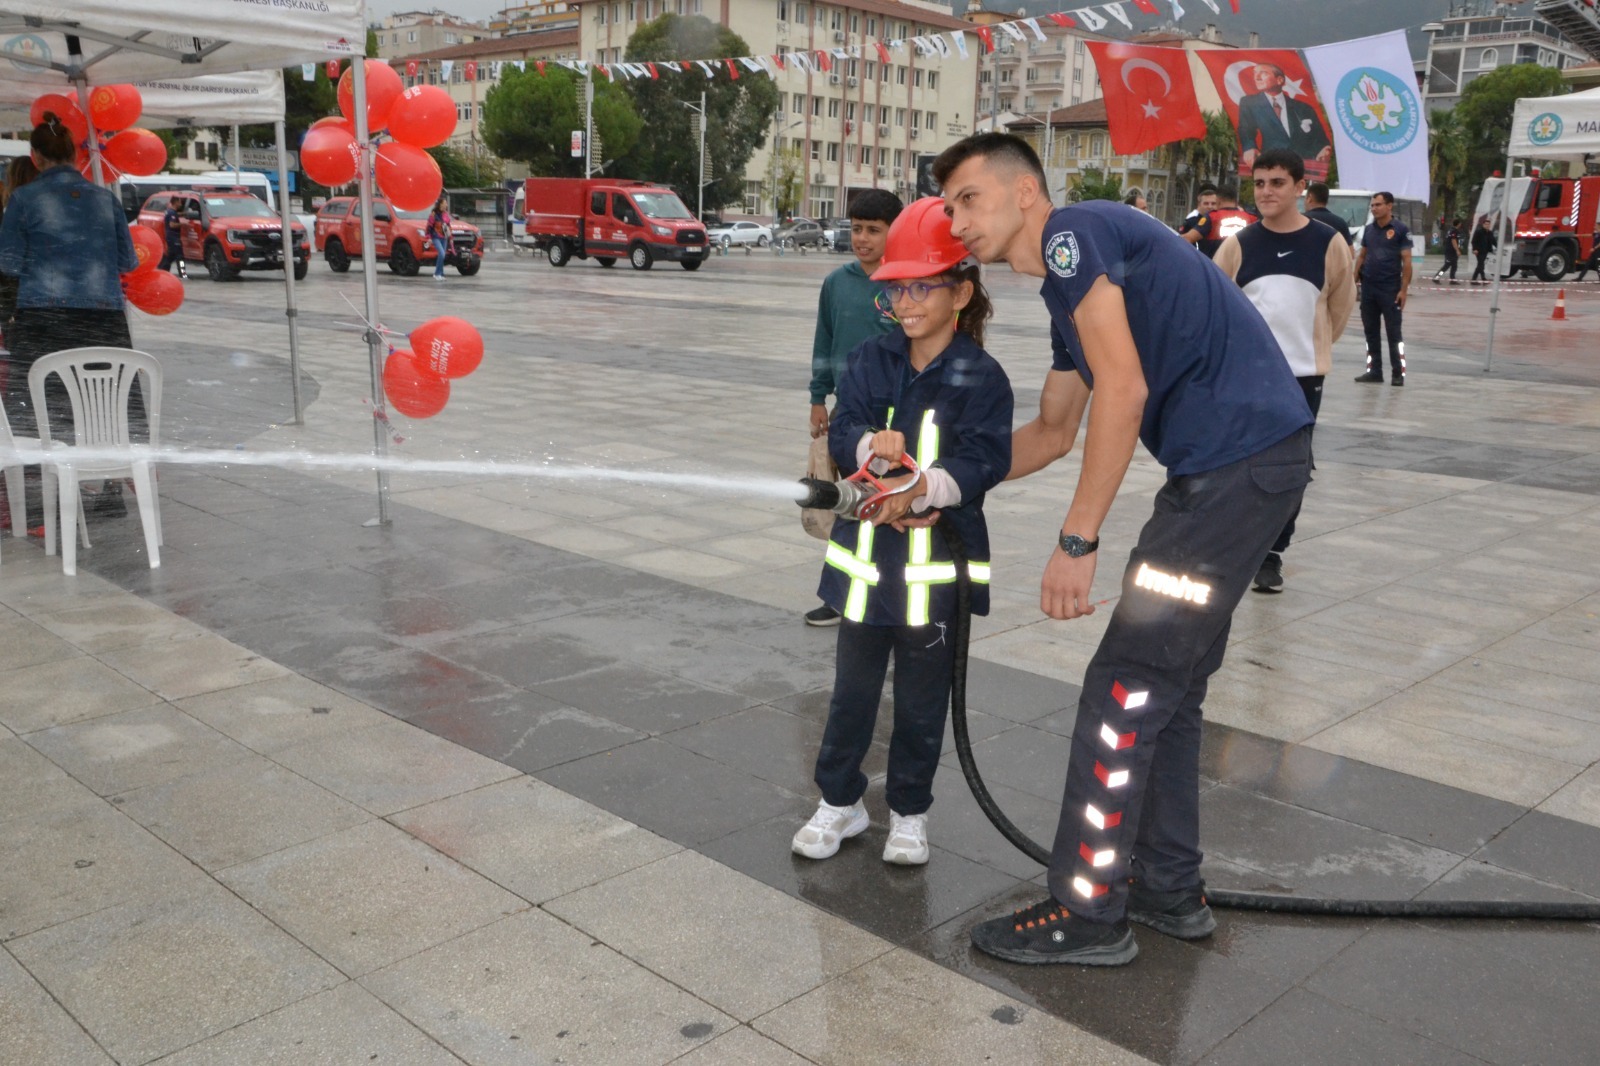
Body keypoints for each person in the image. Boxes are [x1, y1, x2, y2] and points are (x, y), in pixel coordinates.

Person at [933, 132, 1312, 966]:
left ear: (1025, 193)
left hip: (1230, 475)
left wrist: (1079, 540)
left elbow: (1126, 390)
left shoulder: (1075, 236)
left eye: (968, 198)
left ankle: (1088, 909)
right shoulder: (1071, 287)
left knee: (1123, 685)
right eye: (948, 205)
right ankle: (1169, 889)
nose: (954, 220)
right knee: (1164, 694)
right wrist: (937, 486)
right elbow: (1051, 430)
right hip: (1243, 473)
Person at [792, 196, 1013, 867]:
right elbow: (849, 426)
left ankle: (910, 812)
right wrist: (867, 452)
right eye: (897, 289)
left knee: (922, 703)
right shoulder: (870, 360)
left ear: (961, 291)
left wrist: (925, 487)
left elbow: (984, 459)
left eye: (923, 286)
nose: (906, 302)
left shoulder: (982, 376)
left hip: (934, 577)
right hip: (867, 567)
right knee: (852, 693)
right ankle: (840, 803)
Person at [1213, 148, 1355, 594]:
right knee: (1237, 465)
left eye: (1277, 182)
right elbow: (1216, 308)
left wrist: (1313, 351)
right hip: (1246, 379)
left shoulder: (1328, 243)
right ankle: (1238, 544)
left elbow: (1340, 306)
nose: (1266, 191)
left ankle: (1272, 553)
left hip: (1302, 379)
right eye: (1259, 183)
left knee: (1290, 471)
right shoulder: (1238, 245)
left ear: (1300, 188)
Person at [0, 114, 139, 528]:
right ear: (77, 155)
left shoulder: (23, 201)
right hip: (103, 321)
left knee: (38, 406)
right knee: (106, 405)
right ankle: (111, 485)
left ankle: (46, 491)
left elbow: (7, 263)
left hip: (44, 319)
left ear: (36, 156)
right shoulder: (105, 199)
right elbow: (128, 261)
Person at [804, 189, 905, 627]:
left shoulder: (904, 283)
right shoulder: (837, 283)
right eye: (856, 228)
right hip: (849, 417)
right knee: (849, 506)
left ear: (894, 233)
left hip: (898, 419)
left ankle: (891, 596)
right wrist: (817, 398)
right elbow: (823, 344)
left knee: (895, 506)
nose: (862, 238)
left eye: (873, 230)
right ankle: (839, 596)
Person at [1353, 191, 1412, 385]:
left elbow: (1407, 261)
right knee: (1370, 331)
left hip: (1390, 289)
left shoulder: (1400, 229)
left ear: (1389, 206)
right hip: (1369, 288)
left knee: (1394, 333)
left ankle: (1398, 373)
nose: (1374, 208)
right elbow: (1362, 255)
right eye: (1373, 205)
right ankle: (1374, 371)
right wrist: (1354, 280)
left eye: (1378, 205)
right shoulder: (1369, 230)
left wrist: (1403, 290)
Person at [1236, 63, 1332, 170]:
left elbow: (1319, 138)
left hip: (1301, 167)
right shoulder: (1250, 103)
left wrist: (1324, 149)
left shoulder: (1303, 108)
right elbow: (1246, 129)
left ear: (1280, 80)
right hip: (1271, 165)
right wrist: (1249, 147)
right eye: (1255, 73)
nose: (1257, 77)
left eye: (1263, 73)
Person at [1181, 183, 1253, 259]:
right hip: (1242, 266)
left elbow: (1188, 238)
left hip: (1215, 266)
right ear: (1236, 201)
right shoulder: (1251, 218)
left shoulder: (1212, 217)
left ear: (1218, 200)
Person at [158, 195, 188, 279]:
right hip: (174, 237)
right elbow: (172, 225)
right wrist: (183, 224)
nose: (181, 203)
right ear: (175, 202)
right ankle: (183, 274)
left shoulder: (170, 211)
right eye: (179, 201)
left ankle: (163, 271)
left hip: (171, 237)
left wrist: (184, 214)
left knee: (170, 256)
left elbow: (175, 214)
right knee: (180, 257)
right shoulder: (172, 213)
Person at [426, 195, 452, 280]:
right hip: (436, 236)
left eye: (446, 203)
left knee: (442, 255)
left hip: (444, 237)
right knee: (442, 253)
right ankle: (437, 273)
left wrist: (451, 237)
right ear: (440, 204)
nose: (446, 205)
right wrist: (429, 237)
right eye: (445, 203)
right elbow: (429, 226)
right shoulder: (433, 215)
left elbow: (448, 226)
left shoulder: (446, 215)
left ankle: (441, 273)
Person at [1431, 218, 1462, 285]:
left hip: (1451, 251)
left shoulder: (1451, 230)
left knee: (1454, 266)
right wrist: (1457, 250)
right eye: (1460, 223)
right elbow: (1453, 241)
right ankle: (1436, 277)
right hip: (1451, 251)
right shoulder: (1454, 231)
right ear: (1459, 224)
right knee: (1447, 265)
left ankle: (1452, 279)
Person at [1470, 214, 1497, 285]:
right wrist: (1474, 249)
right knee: (1480, 265)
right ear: (1483, 224)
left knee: (1480, 265)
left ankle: (1479, 279)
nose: (1487, 225)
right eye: (1486, 224)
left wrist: (1498, 247)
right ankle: (1478, 279)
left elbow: (1493, 241)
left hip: (1485, 251)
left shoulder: (1490, 233)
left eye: (1488, 224)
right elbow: (1474, 241)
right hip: (1479, 251)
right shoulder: (1479, 232)